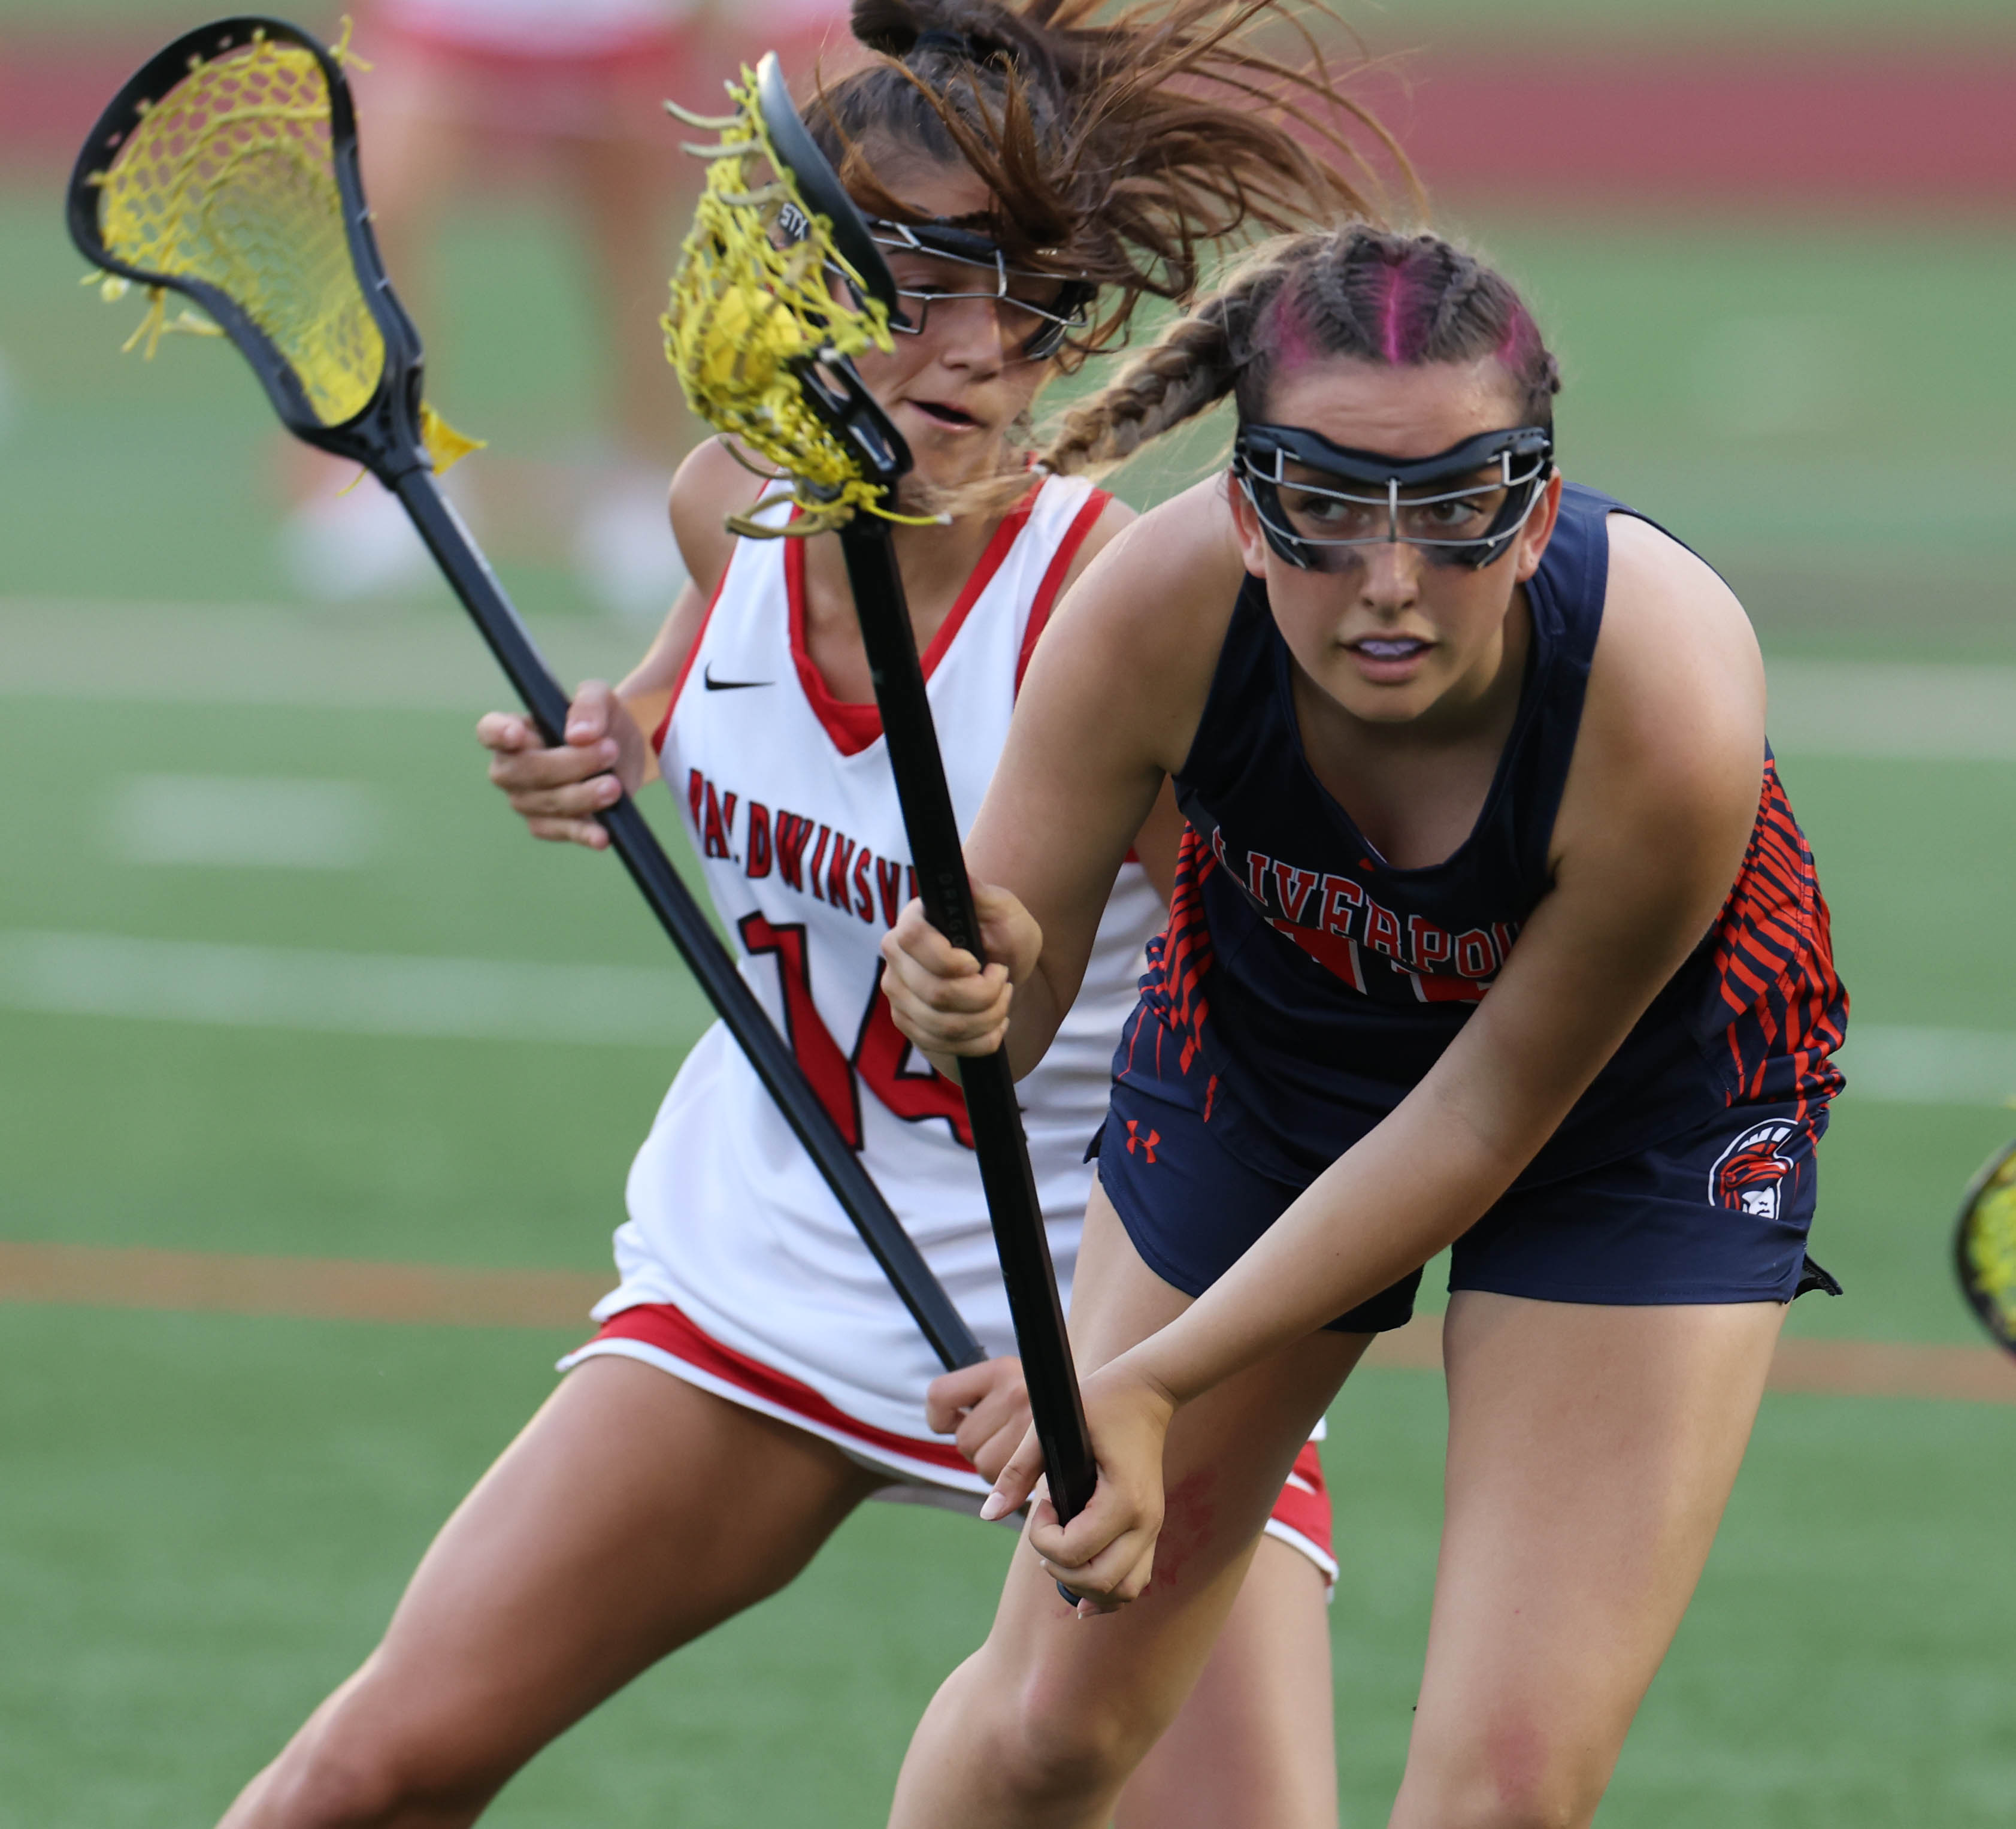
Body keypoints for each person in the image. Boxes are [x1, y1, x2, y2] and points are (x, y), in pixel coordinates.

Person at [215, 7, 1389, 1826]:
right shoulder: (730, 513)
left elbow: (1317, 1036)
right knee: (360, 1780)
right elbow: (702, 684)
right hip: (779, 1259)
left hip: (1104, 1308)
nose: (976, 352)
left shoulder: (1125, 618)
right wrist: (609, 735)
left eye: (1032, 303)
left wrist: (1140, 1342)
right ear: (802, 273)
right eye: (923, 281)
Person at [879, 222, 1848, 1828]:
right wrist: (965, 987)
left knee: (1507, 1793)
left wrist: (1152, 1379)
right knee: (1059, 1719)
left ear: (1536, 508)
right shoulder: (1152, 615)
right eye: (1325, 507)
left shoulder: (1665, 693)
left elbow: (1481, 1124)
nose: (1390, 585)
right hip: (1270, 1054)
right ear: (1249, 508)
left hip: (1641, 1117)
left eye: (1457, 509)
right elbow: (1011, 1006)